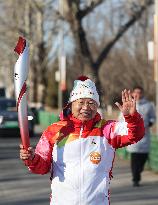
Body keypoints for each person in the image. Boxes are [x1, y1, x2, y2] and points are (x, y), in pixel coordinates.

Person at [20, 76, 145, 205]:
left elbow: (135, 134)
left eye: (91, 103)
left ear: (97, 106)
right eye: (80, 102)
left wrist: (132, 118)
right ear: (71, 104)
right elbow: (42, 167)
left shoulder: (107, 129)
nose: (85, 107)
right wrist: (31, 158)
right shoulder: (54, 131)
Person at [125, 86, 156, 187]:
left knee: (143, 158)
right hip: (133, 135)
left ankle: (139, 171)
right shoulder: (128, 104)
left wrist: (150, 123)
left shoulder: (148, 105)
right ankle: (135, 179)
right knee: (134, 158)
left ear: (142, 94)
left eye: (140, 93)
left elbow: (153, 117)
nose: (138, 95)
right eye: (136, 93)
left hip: (145, 135)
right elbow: (122, 117)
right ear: (133, 94)